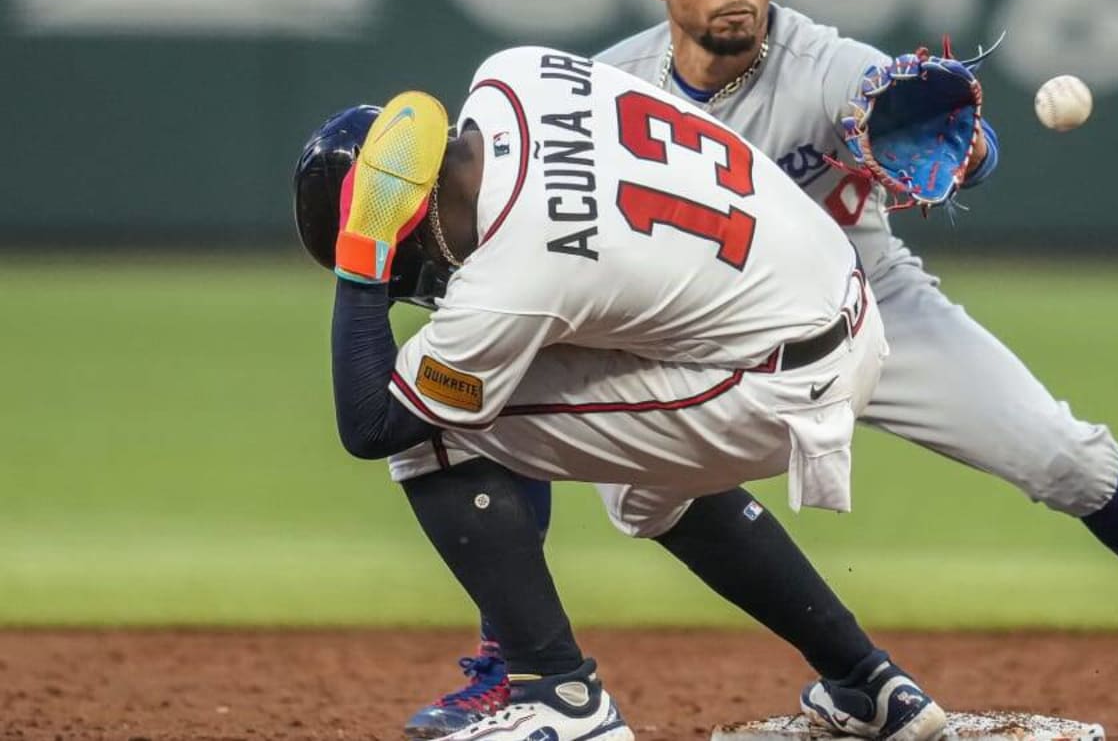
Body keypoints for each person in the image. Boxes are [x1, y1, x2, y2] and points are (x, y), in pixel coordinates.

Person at [408, 0, 1118, 741]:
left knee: (1063, 457)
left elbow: (926, 118)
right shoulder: (607, 84)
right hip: (702, 334)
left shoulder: (820, 63)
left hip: (870, 307)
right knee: (511, 386)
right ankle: (518, 660)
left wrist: (965, 149)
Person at [301, 47, 951, 741]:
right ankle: (871, 688)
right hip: (835, 298)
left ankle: (559, 694)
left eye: (416, 267)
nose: (431, 281)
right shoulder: (513, 71)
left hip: (772, 379)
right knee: (644, 485)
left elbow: (370, 425)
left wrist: (363, 257)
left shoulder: (511, 278)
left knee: (431, 425)